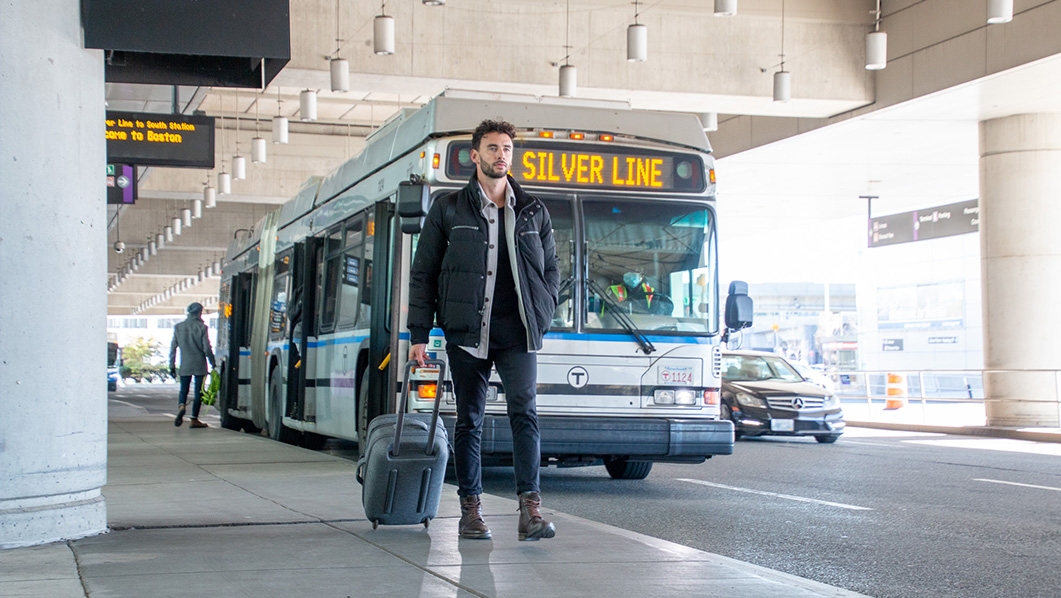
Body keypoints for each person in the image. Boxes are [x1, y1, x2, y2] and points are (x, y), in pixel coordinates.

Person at [408, 119, 560, 541]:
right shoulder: (449, 209)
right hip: (466, 330)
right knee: (470, 419)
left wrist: (543, 312)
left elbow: (551, 269)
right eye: (492, 148)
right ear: (475, 156)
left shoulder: (533, 211)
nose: (500, 155)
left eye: (507, 149)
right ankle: (470, 511)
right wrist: (418, 334)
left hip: (518, 332)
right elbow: (423, 274)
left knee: (524, 413)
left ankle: (530, 511)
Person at [169, 302, 216, 428]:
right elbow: (206, 348)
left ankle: (182, 406)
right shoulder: (202, 327)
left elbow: (173, 348)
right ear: (199, 312)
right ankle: (194, 419)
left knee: (183, 389)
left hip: (185, 364)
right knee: (198, 393)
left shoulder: (179, 327)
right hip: (199, 364)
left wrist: (172, 366)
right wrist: (213, 362)